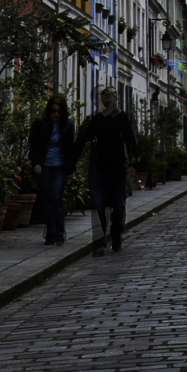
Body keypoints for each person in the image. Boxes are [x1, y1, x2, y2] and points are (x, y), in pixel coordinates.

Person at [73, 88, 141, 251]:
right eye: (107, 94)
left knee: (118, 207)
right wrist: (71, 165)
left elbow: (131, 141)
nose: (112, 96)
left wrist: (135, 164)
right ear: (102, 99)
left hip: (118, 170)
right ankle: (99, 241)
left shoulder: (123, 118)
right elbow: (81, 142)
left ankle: (116, 235)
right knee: (99, 206)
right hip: (98, 170)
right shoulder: (95, 120)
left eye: (114, 94)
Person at [27, 93, 75, 245]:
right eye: (53, 111)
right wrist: (36, 163)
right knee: (48, 199)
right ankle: (50, 232)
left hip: (60, 167)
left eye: (59, 112)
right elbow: (33, 146)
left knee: (57, 197)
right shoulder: (41, 124)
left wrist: (70, 170)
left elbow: (70, 149)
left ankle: (59, 231)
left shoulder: (68, 125)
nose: (56, 114)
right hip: (45, 166)